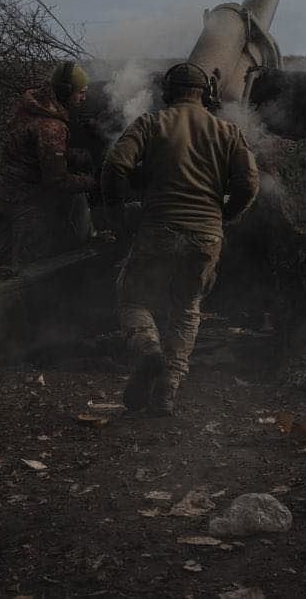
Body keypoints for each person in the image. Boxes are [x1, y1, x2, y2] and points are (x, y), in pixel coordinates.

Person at [100, 62, 259, 416]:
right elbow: (249, 183)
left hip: (158, 229)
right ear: (207, 94)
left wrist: (117, 214)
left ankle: (146, 350)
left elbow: (115, 166)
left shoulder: (151, 123)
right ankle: (167, 392)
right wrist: (225, 216)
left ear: (168, 92)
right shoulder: (227, 131)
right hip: (206, 236)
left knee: (133, 300)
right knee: (187, 310)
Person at [0, 61, 97, 274]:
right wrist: (92, 183)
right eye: (80, 92)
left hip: (4, 200)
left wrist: (71, 155)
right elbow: (56, 181)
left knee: (2, 270)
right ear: (66, 91)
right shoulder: (51, 126)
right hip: (27, 209)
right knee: (30, 279)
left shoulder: (31, 107)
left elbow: (32, 151)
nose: (83, 98)